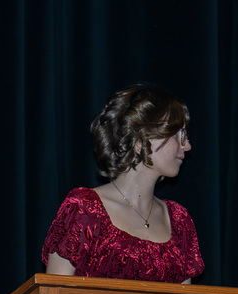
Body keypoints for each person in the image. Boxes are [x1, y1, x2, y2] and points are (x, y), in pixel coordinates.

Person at [41, 85, 203, 283]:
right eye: (178, 135)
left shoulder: (179, 221)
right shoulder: (85, 208)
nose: (187, 145)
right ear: (140, 141)